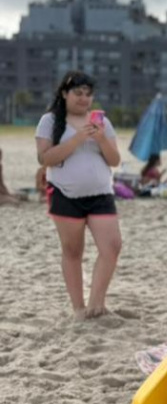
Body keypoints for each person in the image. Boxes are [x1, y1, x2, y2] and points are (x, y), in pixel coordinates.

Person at [35, 71, 122, 319]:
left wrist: (101, 138)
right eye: (78, 93)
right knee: (73, 251)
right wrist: (79, 138)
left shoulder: (102, 122)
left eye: (88, 94)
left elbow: (114, 160)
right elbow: (45, 158)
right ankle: (78, 308)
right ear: (65, 94)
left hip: (100, 193)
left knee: (112, 247)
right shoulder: (50, 121)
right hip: (65, 194)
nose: (83, 99)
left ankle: (97, 304)